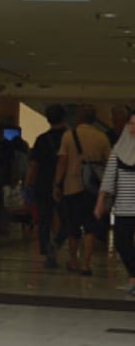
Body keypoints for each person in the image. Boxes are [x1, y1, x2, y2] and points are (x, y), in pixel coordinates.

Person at [53, 104, 111, 276]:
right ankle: (86, 264)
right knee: (90, 226)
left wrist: (57, 184)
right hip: (94, 189)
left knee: (73, 226)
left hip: (72, 187)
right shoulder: (102, 138)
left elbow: (62, 162)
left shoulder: (69, 136)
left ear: (78, 118)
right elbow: (108, 164)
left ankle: (74, 260)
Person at [94, 112, 135, 297]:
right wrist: (100, 201)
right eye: (131, 124)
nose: (133, 128)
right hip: (125, 206)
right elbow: (109, 177)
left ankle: (133, 280)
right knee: (122, 243)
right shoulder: (118, 151)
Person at [24, 104, 68, 268]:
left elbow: (34, 164)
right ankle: (57, 243)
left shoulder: (42, 139)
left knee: (44, 219)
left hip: (42, 183)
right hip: (64, 184)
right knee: (68, 219)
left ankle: (46, 248)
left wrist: (28, 184)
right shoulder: (69, 137)